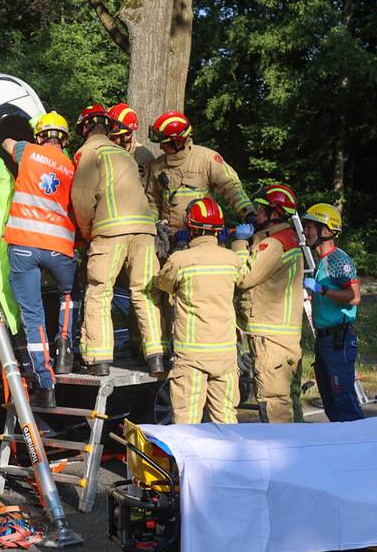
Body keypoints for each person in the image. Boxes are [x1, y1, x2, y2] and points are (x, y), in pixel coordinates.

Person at [69, 103, 164, 376]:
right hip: (144, 231)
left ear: (84, 128)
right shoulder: (125, 155)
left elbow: (82, 199)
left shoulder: (89, 152)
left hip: (110, 232)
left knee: (99, 291)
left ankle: (99, 359)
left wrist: (87, 233)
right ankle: (156, 356)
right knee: (145, 291)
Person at [0, 111, 76, 408]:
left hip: (23, 245)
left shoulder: (28, 152)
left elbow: (6, 142)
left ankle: (46, 384)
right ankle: (65, 347)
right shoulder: (71, 167)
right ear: (64, 139)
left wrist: (17, 142)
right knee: (68, 295)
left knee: (33, 316)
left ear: (40, 136)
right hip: (59, 248)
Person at [156, 197, 245, 423]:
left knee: (187, 423)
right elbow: (244, 278)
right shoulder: (231, 259)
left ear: (190, 226)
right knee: (226, 419)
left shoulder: (180, 260)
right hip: (225, 354)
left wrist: (173, 249)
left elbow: (162, 283)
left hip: (192, 356)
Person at [228, 184, 305, 423]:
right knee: (288, 400)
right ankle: (298, 443)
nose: (257, 213)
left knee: (274, 403)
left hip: (270, 337)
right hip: (286, 334)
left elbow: (243, 277)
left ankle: (280, 445)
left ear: (275, 213)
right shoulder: (289, 238)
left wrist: (239, 244)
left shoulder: (274, 245)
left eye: (262, 209)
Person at [144, 111, 256, 255]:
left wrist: (249, 213)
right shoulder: (157, 166)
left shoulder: (206, 159)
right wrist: (151, 226)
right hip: (168, 241)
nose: (160, 147)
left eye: (164, 143)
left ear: (178, 142)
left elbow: (231, 187)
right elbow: (153, 202)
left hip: (201, 240)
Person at [301, 202, 364, 422]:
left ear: (326, 231)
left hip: (339, 341)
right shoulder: (322, 262)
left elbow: (355, 297)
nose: (305, 231)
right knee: (330, 403)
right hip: (325, 341)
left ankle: (362, 440)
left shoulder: (339, 261)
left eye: (310, 226)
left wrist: (322, 290)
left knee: (344, 402)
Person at [107, 102, 154, 182]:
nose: (109, 138)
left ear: (128, 134)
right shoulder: (103, 153)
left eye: (114, 136)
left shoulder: (144, 157)